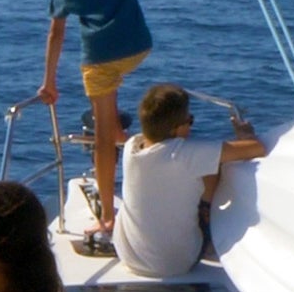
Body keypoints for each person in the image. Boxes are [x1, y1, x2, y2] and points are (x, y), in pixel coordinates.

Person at [37, 0, 150, 248]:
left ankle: (107, 217)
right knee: (113, 124)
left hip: (101, 58)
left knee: (101, 135)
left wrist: (49, 81)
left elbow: (57, 33)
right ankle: (133, 145)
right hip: (137, 46)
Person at [113, 84, 267, 279]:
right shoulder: (185, 155)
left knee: (207, 161)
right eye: (190, 120)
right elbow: (256, 148)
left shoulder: (131, 147)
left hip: (128, 256)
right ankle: (206, 214)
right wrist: (246, 135)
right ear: (176, 129)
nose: (191, 125)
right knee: (214, 166)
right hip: (172, 264)